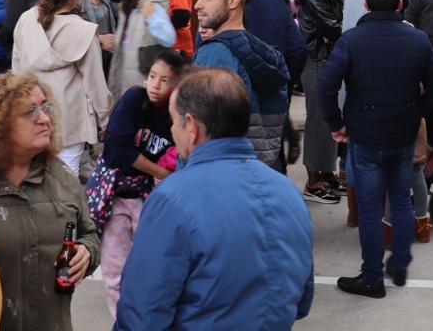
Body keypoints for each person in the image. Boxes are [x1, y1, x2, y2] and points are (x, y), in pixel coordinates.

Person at [114, 68, 313, 329]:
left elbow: (143, 313)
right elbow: (301, 300)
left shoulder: (172, 199)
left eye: (174, 122)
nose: (173, 132)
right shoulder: (288, 193)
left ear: (192, 127)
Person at [319, 0, 433, 298]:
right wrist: (416, 110)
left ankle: (372, 276)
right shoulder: (417, 39)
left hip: (365, 134)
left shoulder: (351, 40)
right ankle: (400, 263)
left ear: (366, 4)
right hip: (402, 134)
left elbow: (325, 86)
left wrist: (337, 123)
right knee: (401, 200)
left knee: (371, 206)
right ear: (400, 4)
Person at [0, 72, 100, 331]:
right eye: (30, 111)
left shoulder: (63, 179)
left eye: (45, 108)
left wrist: (87, 252)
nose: (44, 119)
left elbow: (89, 234)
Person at [94, 50, 185, 316]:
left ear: (178, 85)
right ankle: (122, 321)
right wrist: (159, 171)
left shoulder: (178, 114)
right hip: (115, 194)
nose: (155, 85)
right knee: (114, 269)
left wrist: (162, 175)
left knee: (154, 264)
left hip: (151, 199)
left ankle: (149, 318)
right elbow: (117, 149)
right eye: (153, 76)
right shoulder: (135, 98)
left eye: (165, 80)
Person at [12, 0, 111, 176]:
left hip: (34, 111)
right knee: (67, 177)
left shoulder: (26, 20)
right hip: (70, 115)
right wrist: (105, 118)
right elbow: (94, 82)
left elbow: (17, 68)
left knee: (36, 174)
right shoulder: (83, 31)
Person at [194, 0, 290, 168]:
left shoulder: (214, 54)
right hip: (261, 167)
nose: (198, 5)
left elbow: (198, 128)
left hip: (222, 171)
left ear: (233, 0)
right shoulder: (262, 50)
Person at [297, 0, 346, 201]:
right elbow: (338, 29)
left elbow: (338, 30)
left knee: (330, 120)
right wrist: (332, 37)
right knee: (318, 120)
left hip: (330, 59)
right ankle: (313, 182)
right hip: (316, 62)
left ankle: (327, 175)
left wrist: (334, 36)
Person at [110, 0, 175, 101]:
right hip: (125, 76)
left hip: (143, 79)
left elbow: (169, 38)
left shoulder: (152, 5)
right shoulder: (129, 5)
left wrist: (151, 17)